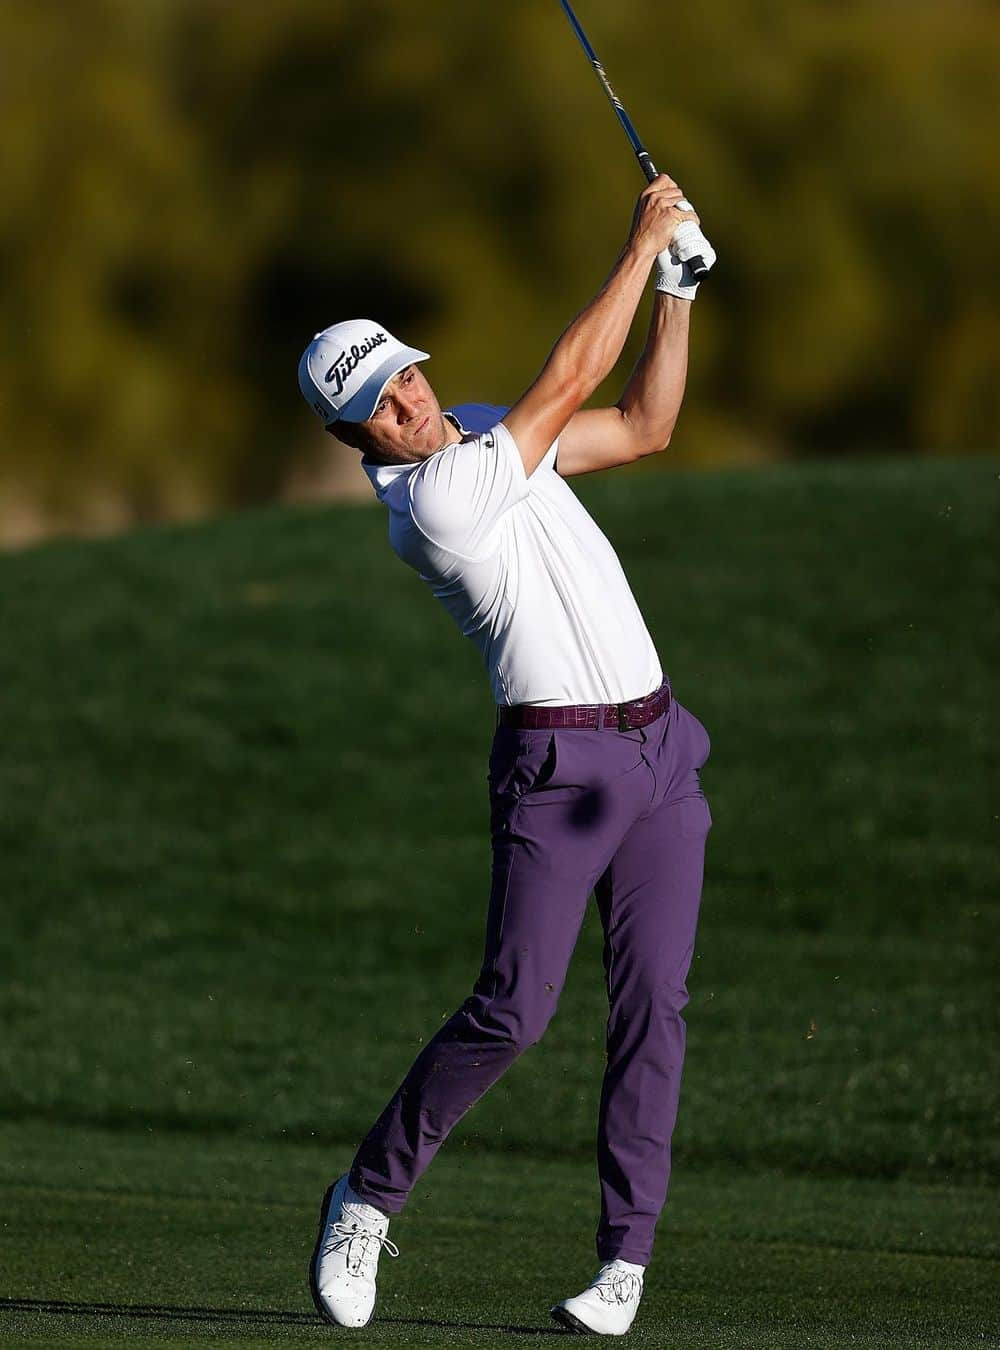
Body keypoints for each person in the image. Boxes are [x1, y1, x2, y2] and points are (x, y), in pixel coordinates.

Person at [300, 175, 715, 1337]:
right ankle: (366, 1199)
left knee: (654, 1008)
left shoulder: (482, 434)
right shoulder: (432, 506)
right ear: (355, 440)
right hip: (559, 769)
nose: (413, 404)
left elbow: (644, 426)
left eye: (409, 376)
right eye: (383, 405)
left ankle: (624, 1261)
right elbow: (574, 377)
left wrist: (676, 292)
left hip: (660, 748)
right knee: (515, 1008)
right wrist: (640, 244)